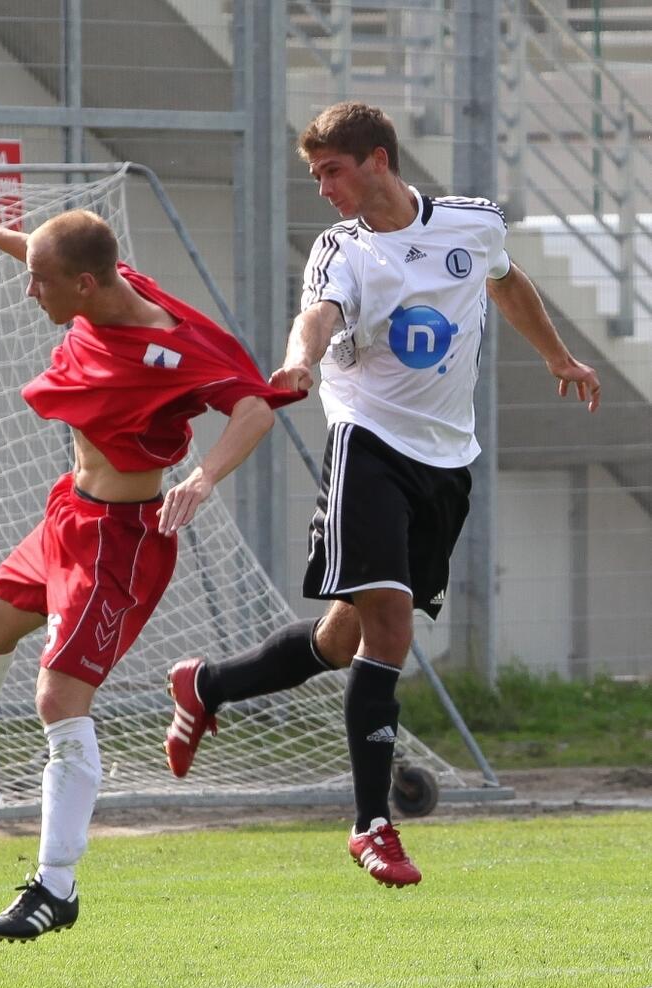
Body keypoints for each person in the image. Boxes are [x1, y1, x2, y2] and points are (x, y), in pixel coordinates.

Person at [0, 192, 303, 941]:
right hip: (69, 516)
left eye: (40, 280)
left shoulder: (178, 346)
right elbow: (52, 256)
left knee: (59, 698)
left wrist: (203, 480)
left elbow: (255, 410)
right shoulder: (103, 285)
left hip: (122, 540)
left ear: (85, 286)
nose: (28, 289)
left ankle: (56, 887)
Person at [164, 102, 601, 888]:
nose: (323, 188)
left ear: (376, 159)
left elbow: (507, 282)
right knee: (391, 627)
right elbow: (318, 316)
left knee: (342, 640)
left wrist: (559, 356)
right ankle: (372, 826)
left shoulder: (471, 223)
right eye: (315, 175)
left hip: (445, 461)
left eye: (332, 170)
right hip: (366, 443)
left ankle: (207, 685)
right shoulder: (343, 250)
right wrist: (300, 364)